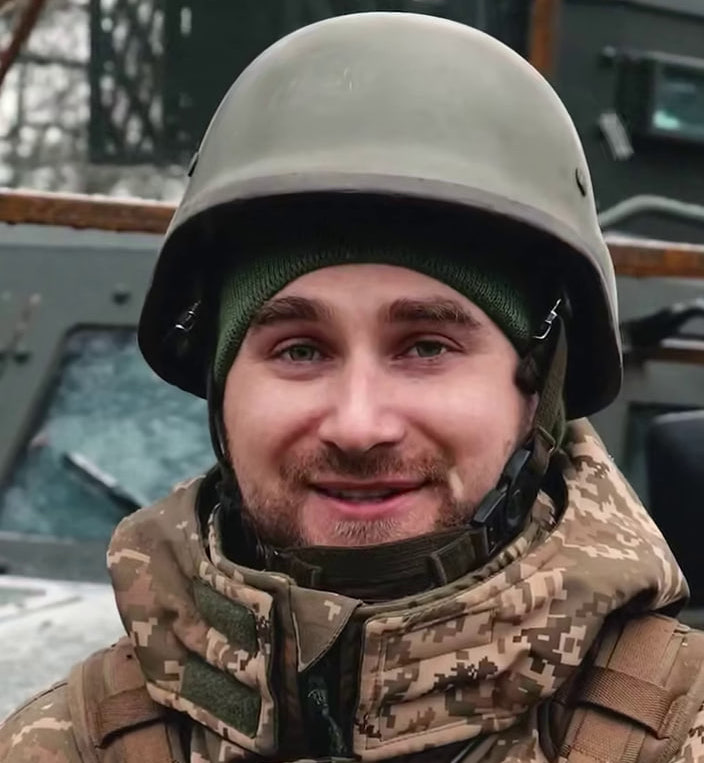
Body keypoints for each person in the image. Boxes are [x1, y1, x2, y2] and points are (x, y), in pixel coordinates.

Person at [2, 12, 704, 763]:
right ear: (222, 388)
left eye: (427, 346)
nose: (358, 424)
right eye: (300, 349)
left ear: (538, 392)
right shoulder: (64, 744)